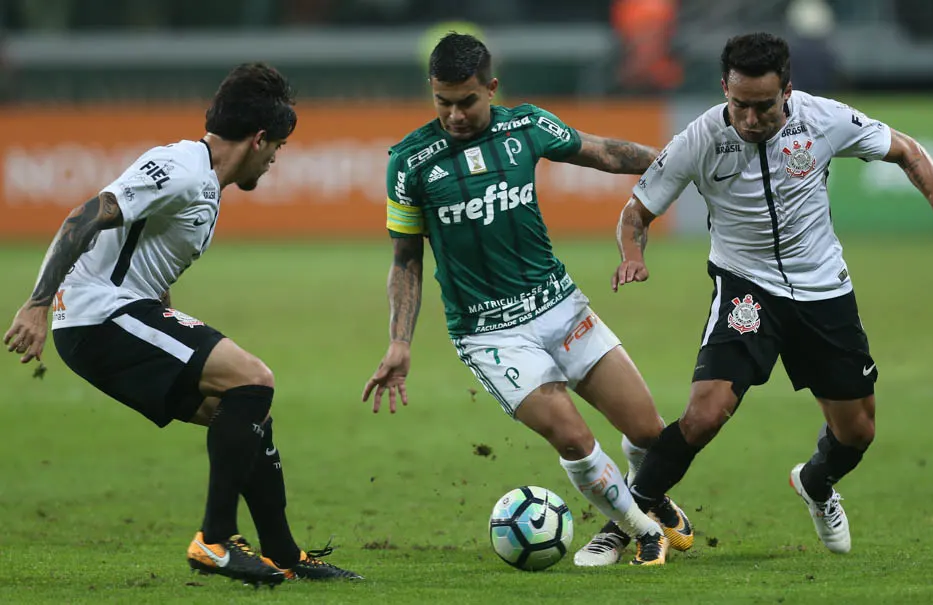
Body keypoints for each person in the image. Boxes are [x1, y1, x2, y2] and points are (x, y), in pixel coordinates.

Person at [608, 32, 933, 557]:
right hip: (746, 287)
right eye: (740, 105)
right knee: (706, 412)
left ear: (787, 90)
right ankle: (629, 513)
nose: (751, 118)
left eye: (764, 106)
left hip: (822, 289)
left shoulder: (824, 120)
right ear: (725, 90)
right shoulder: (700, 136)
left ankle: (816, 483)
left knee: (857, 432)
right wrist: (633, 256)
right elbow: (636, 212)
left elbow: (907, 152)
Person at [4, 63, 361, 585]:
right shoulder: (182, 168)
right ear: (258, 139)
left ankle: (284, 554)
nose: (276, 158)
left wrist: (171, 317)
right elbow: (81, 217)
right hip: (96, 316)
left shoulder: (208, 185)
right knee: (254, 379)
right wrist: (36, 304)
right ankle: (214, 540)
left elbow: (148, 264)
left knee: (246, 412)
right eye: (278, 147)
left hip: (119, 315)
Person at [361, 32, 693, 567]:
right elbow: (406, 260)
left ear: (491, 88)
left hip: (561, 307)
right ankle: (638, 528)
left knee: (651, 434)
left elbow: (604, 152)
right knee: (574, 437)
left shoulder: (527, 126)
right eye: (442, 102)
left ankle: (646, 496)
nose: (454, 115)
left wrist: (675, 163)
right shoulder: (409, 164)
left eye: (466, 101)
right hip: (489, 334)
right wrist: (399, 341)